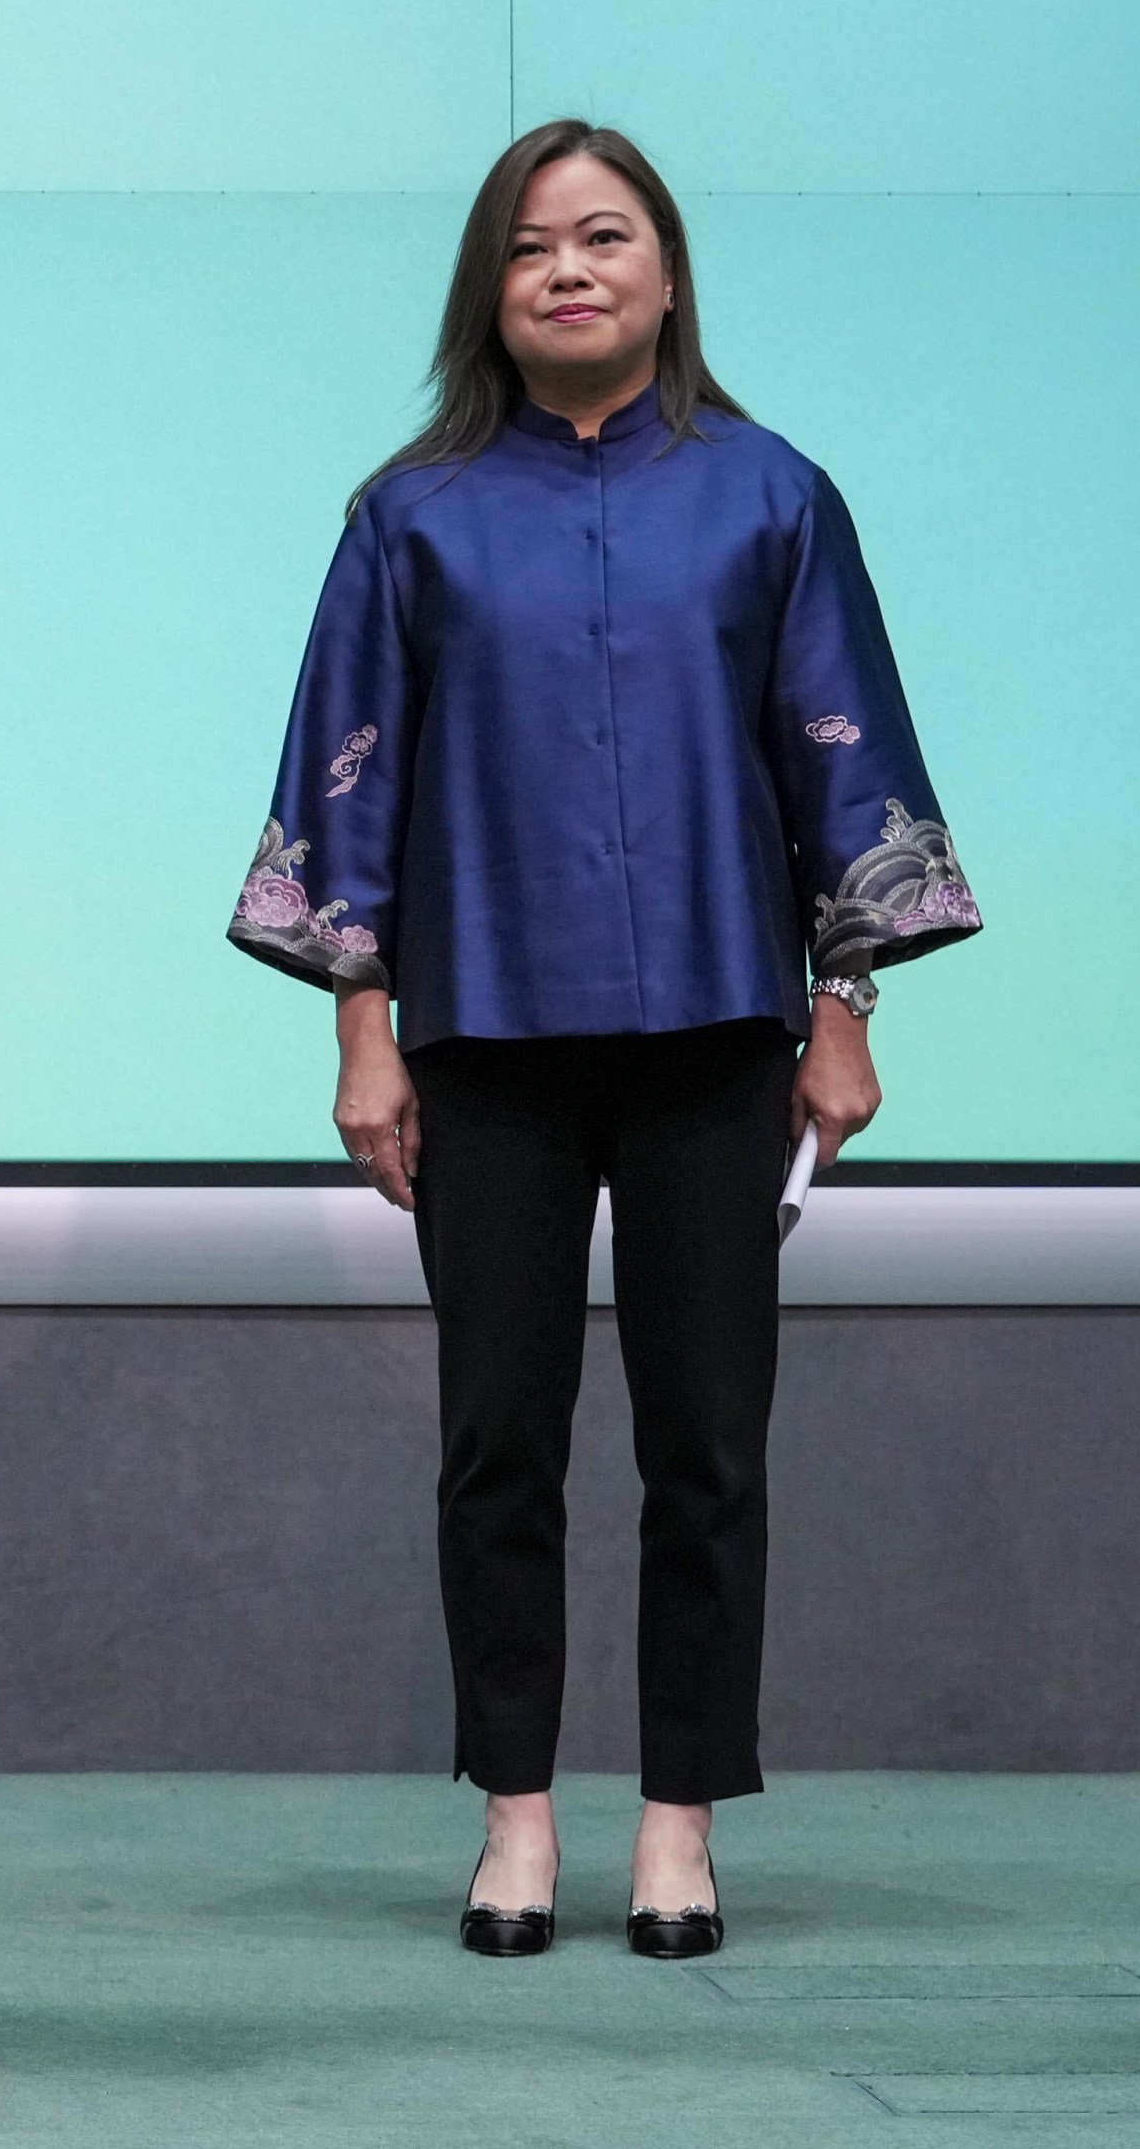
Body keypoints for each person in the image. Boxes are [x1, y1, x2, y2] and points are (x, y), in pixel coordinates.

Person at [229, 120, 978, 1961]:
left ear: (665, 270)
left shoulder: (768, 493)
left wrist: (844, 1008)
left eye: (605, 238)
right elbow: (354, 780)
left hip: (722, 1032)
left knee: (708, 1441)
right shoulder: (408, 515)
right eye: (531, 247)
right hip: (478, 1033)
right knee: (498, 1439)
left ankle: (674, 1823)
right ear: (489, 286)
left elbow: (841, 754)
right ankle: (511, 1819)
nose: (569, 270)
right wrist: (361, 1037)